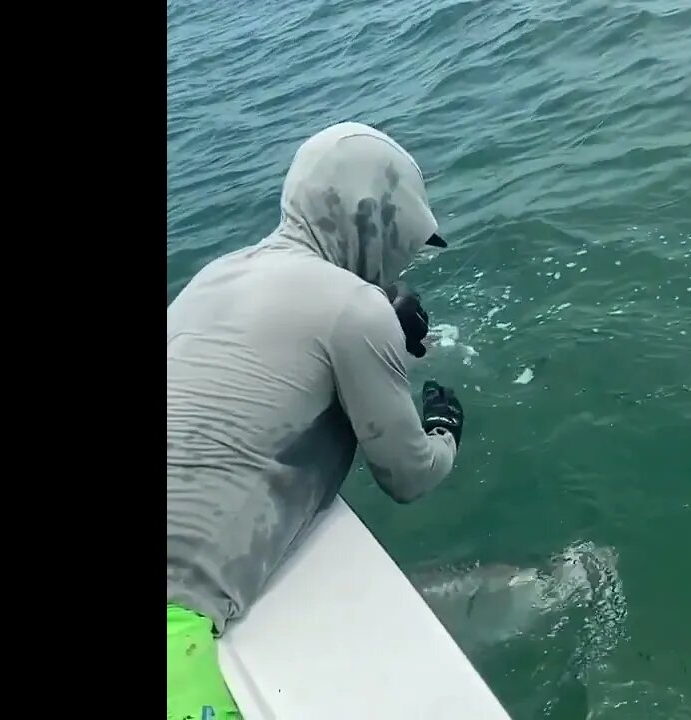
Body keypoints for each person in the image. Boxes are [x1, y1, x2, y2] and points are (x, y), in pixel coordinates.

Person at [166, 121, 467, 719]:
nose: (405, 259)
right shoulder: (353, 309)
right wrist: (444, 432)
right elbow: (408, 477)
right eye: (405, 240)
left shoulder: (215, 275)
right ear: (372, 220)